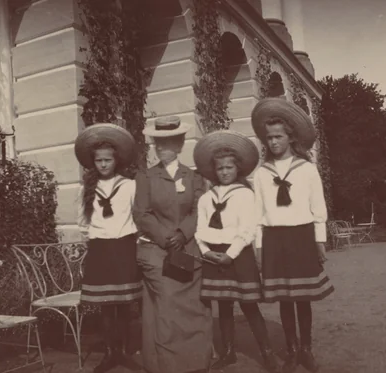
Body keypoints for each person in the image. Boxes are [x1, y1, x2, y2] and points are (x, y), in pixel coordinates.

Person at [251, 98, 335, 373]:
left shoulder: (306, 169)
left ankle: (306, 349)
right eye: (269, 138)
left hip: (302, 237)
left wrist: (319, 240)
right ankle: (292, 350)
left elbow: (318, 208)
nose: (274, 142)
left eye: (278, 136)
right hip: (274, 239)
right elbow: (258, 213)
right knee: (284, 298)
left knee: (302, 297)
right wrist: (259, 247)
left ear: (290, 137)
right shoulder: (262, 174)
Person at [191, 130, 280, 372]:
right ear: (214, 171)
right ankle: (228, 352)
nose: (225, 172)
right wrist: (205, 251)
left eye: (229, 167)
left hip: (238, 255)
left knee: (249, 305)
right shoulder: (206, 198)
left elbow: (248, 229)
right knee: (224, 305)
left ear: (237, 169)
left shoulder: (245, 195)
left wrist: (230, 254)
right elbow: (199, 229)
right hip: (212, 255)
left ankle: (267, 352)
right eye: (220, 168)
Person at [133, 116, 213, 373]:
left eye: (167, 142)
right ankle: (167, 366)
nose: (161, 148)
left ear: (179, 145)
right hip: (156, 251)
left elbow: (199, 209)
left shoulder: (193, 177)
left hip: (188, 250)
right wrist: (167, 238)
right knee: (167, 306)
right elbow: (142, 214)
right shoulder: (146, 176)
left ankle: (196, 363)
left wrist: (183, 233)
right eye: (157, 143)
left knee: (195, 307)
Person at [73, 123, 144, 373]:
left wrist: (135, 242)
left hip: (124, 247)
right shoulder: (86, 189)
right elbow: (83, 223)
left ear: (116, 161)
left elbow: (137, 216)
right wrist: (94, 240)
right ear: (93, 162)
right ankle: (109, 353)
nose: (103, 164)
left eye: (107, 160)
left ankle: (123, 351)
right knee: (105, 305)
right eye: (99, 160)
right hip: (100, 249)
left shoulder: (129, 186)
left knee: (124, 304)